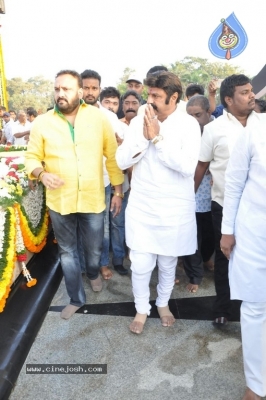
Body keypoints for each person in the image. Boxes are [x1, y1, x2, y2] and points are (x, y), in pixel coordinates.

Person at [25, 69, 124, 319]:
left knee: (93, 251)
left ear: (80, 92)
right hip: (60, 201)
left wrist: (118, 191)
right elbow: (32, 157)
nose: (60, 94)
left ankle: (92, 273)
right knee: (67, 253)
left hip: (92, 198)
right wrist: (41, 174)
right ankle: (76, 297)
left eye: (66, 89)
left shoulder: (99, 119)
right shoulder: (43, 122)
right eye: (57, 88)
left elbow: (111, 157)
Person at [116, 71, 201, 334]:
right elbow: (122, 161)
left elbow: (187, 167)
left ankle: (163, 304)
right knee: (140, 264)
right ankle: (142, 308)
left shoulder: (188, 124)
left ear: (173, 97)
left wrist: (157, 138)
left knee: (167, 262)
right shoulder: (141, 118)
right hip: (143, 205)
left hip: (174, 207)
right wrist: (144, 135)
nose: (149, 100)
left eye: (156, 96)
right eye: (148, 94)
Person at [194, 74, 259, 326]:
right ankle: (223, 308)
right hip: (224, 206)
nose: (252, 95)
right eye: (245, 92)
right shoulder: (214, 129)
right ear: (229, 99)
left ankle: (255, 306)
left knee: (257, 258)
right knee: (225, 258)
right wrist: (189, 199)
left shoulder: (263, 124)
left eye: (251, 90)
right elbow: (202, 165)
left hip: (259, 207)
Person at [220, 115, 266, 400]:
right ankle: (256, 385)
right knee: (254, 307)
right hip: (254, 233)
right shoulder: (256, 129)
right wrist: (227, 231)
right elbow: (234, 183)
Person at [81, 69, 124, 279]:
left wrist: (118, 189)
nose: (90, 92)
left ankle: (103, 264)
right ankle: (85, 266)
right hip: (77, 182)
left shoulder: (108, 117)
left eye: (94, 88)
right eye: (86, 87)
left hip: (103, 180)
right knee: (83, 226)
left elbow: (119, 149)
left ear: (99, 89)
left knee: (104, 227)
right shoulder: (71, 115)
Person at [182, 95, 215, 293]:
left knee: (210, 233)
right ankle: (195, 274)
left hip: (213, 194)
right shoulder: (183, 133)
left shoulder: (217, 131)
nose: (194, 119)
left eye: (198, 115)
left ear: (208, 113)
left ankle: (206, 259)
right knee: (192, 235)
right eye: (190, 115)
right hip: (189, 193)